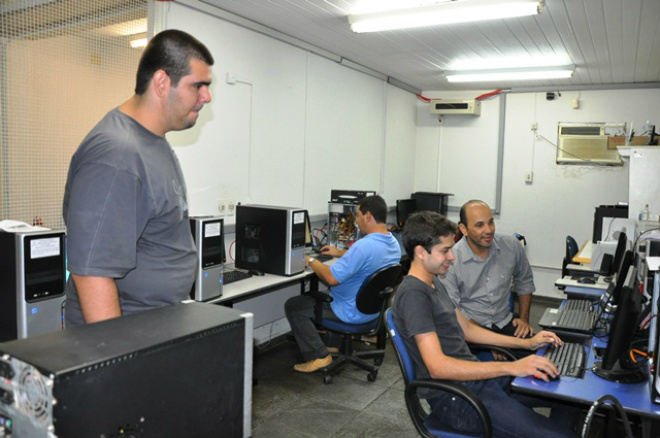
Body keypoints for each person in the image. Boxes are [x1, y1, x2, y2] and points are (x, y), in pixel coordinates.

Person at [63, 30, 214, 326]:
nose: (207, 97)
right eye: (198, 85)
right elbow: (92, 273)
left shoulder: (152, 142)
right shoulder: (116, 155)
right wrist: (120, 362)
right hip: (126, 335)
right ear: (161, 82)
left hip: (155, 324)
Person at [392, 211, 579, 438]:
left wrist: (527, 344)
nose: (452, 257)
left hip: (476, 381)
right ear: (421, 252)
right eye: (445, 251)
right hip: (457, 400)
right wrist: (513, 367)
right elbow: (438, 367)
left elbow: (467, 329)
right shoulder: (414, 295)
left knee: (570, 397)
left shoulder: (433, 282)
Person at [285, 195, 400, 373]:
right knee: (336, 293)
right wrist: (340, 252)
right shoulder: (392, 243)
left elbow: (331, 278)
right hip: (373, 312)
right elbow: (367, 259)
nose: (356, 220)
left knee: (294, 305)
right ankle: (332, 346)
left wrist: (310, 261)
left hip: (350, 312)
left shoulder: (363, 246)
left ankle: (319, 356)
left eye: (358, 215)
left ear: (368, 216)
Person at [440, 200, 535, 339]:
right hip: (469, 328)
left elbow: (525, 281)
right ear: (463, 229)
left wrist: (524, 320)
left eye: (491, 222)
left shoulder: (512, 246)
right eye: (480, 225)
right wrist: (493, 341)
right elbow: (453, 309)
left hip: (504, 322)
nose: (489, 230)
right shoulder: (451, 260)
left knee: (540, 353)